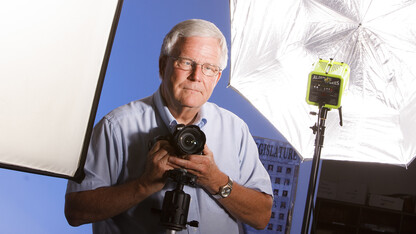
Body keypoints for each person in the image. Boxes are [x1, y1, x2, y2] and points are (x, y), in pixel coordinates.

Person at [65, 19, 273, 234]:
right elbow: (75, 210)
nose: (196, 76)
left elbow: (261, 217)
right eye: (186, 62)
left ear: (217, 77)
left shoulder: (235, 130)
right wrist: (143, 185)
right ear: (162, 65)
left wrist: (215, 180)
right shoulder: (117, 126)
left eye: (209, 68)